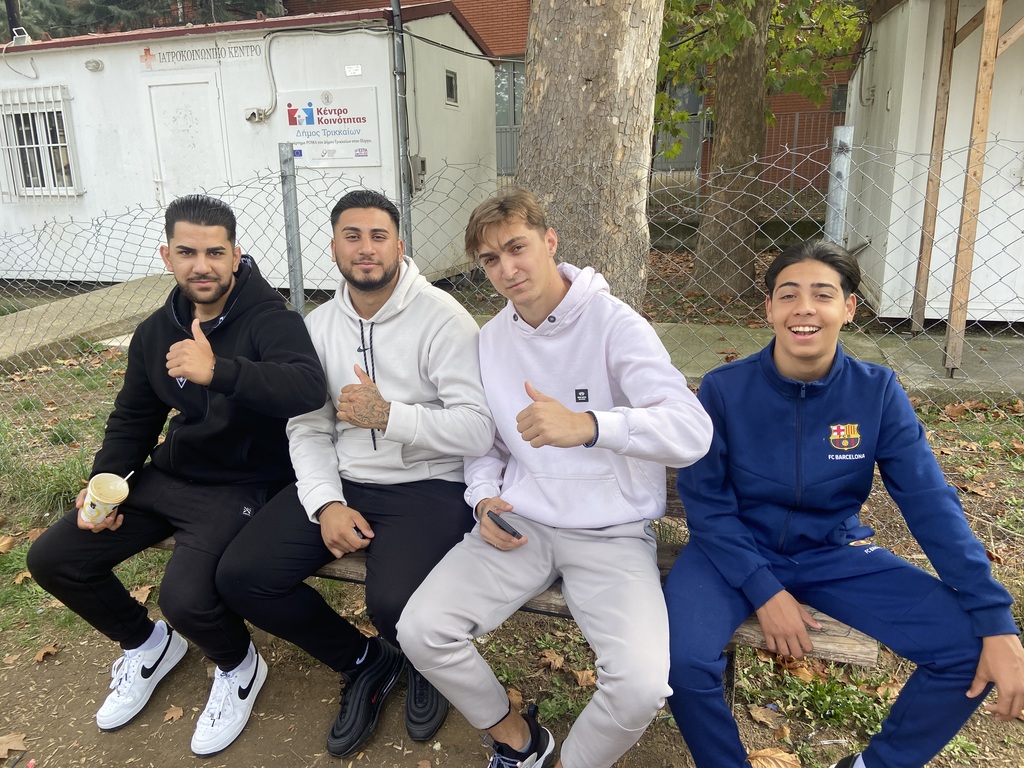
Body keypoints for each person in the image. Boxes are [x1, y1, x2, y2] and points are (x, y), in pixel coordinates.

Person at [664, 240, 1024, 768]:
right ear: (769, 309)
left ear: (849, 307)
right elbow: (707, 503)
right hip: (731, 554)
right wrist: (764, 589)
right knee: (681, 663)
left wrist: (996, 619)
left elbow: (929, 503)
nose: (804, 308)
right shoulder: (723, 390)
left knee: (966, 646)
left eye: (823, 294)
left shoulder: (876, 392)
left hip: (832, 553)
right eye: (788, 295)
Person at [397, 188, 714, 768]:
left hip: (614, 533)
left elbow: (691, 432)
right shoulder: (491, 340)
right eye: (490, 259)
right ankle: (519, 739)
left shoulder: (615, 324)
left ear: (549, 241)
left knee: (640, 687)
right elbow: (488, 442)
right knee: (421, 631)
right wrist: (483, 497)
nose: (507, 269)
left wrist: (590, 426)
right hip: (523, 523)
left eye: (517, 248)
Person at [26, 195, 327, 757]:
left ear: (235, 255)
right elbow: (134, 418)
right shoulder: (154, 332)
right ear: (168, 256)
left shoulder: (271, 320)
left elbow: (307, 388)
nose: (202, 265)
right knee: (54, 558)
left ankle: (238, 665)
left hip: (243, 483)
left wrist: (220, 371)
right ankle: (147, 644)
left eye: (215, 252)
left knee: (186, 599)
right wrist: (106, 481)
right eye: (187, 252)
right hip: (172, 473)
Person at [216, 189, 494, 757]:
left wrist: (391, 416)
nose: (366, 249)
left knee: (393, 604)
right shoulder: (317, 326)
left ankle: (425, 661)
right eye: (352, 236)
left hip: (427, 485)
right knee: (243, 577)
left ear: (399, 245)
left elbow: (478, 430)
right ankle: (365, 660)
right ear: (334, 247)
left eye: (378, 236)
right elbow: (308, 427)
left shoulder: (443, 319)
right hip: (345, 482)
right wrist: (326, 503)